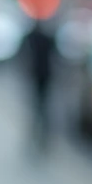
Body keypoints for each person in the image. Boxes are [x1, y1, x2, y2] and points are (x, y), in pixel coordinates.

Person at [23, 20, 56, 150]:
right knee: (42, 107)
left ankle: (39, 135)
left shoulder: (31, 38)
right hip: (43, 75)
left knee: (38, 107)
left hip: (38, 75)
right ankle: (41, 136)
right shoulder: (46, 37)